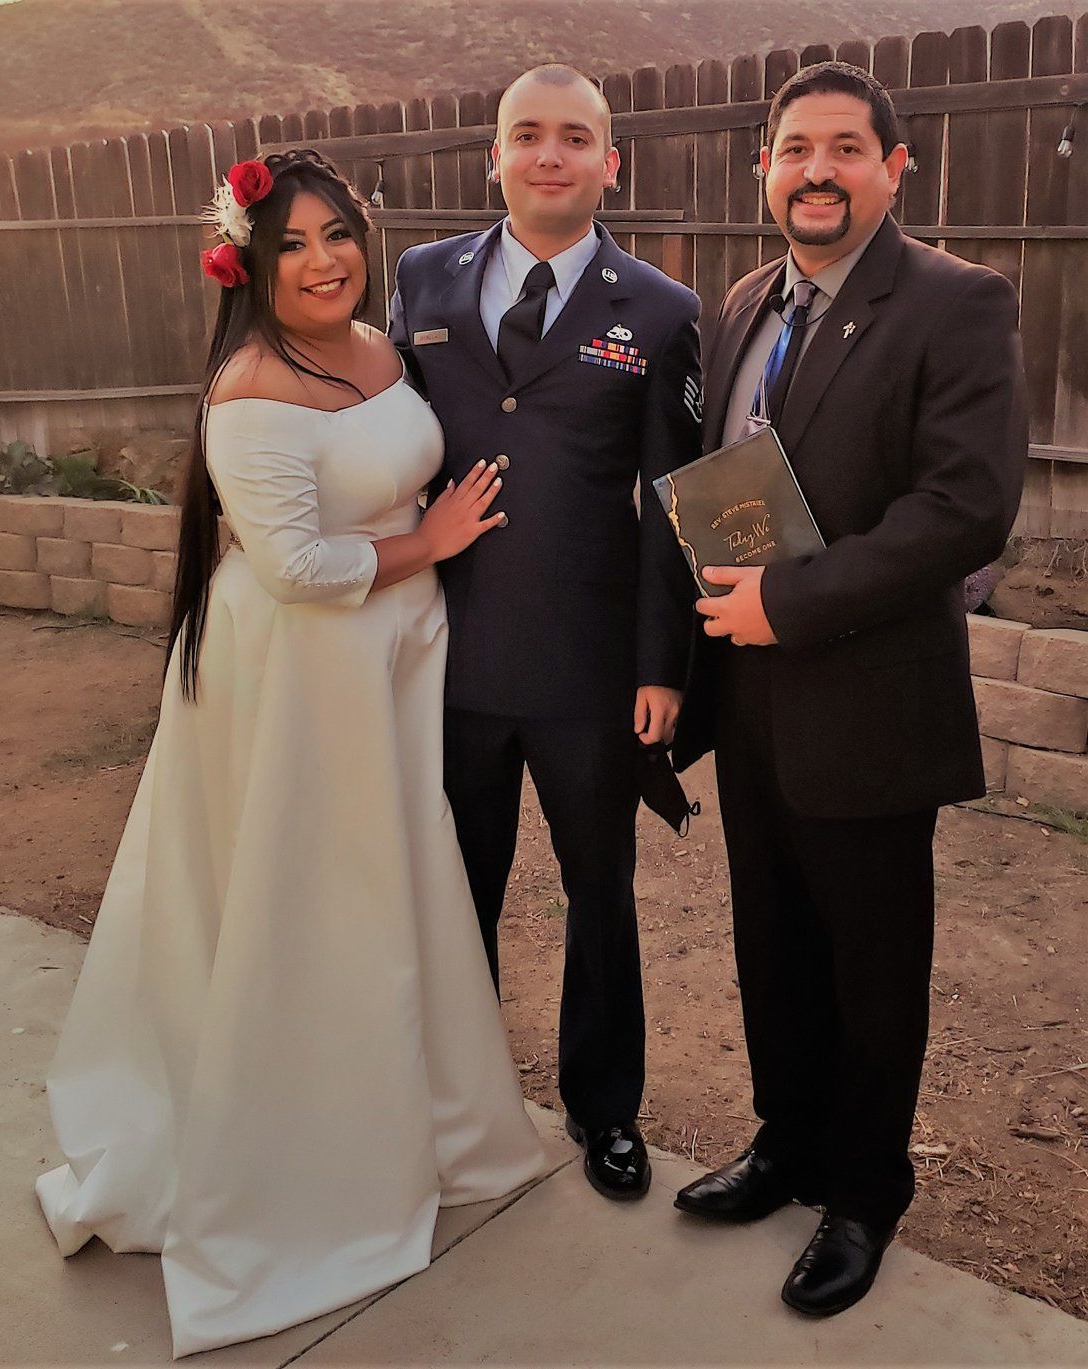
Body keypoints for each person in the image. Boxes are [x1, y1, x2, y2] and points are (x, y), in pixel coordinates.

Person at [35, 150, 546, 1359]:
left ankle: (415, 1113)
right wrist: (432, 543)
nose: (322, 261)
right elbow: (299, 566)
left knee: (392, 883)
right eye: (293, 245)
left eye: (337, 234)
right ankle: (301, 1159)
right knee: (312, 897)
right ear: (247, 266)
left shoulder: (378, 346)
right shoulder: (249, 389)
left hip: (386, 661)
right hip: (304, 671)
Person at [671, 62, 1027, 1315]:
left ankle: (865, 1192)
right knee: (769, 940)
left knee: (870, 964)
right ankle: (786, 1144)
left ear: (892, 167)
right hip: (748, 691)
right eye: (792, 149)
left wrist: (793, 602)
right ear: (762, 169)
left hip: (868, 695)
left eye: (842, 148)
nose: (813, 170)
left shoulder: (954, 301)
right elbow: (730, 477)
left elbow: (965, 504)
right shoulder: (742, 303)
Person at [389, 65, 701, 1201]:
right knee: (451, 889)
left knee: (598, 892)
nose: (549, 154)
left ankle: (604, 1108)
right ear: (495, 155)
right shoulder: (420, 277)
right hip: (447, 655)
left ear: (611, 162)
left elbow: (672, 501)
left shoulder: (661, 311)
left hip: (586, 669)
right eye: (527, 134)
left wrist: (662, 666)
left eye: (575, 136)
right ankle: (452, 1097)